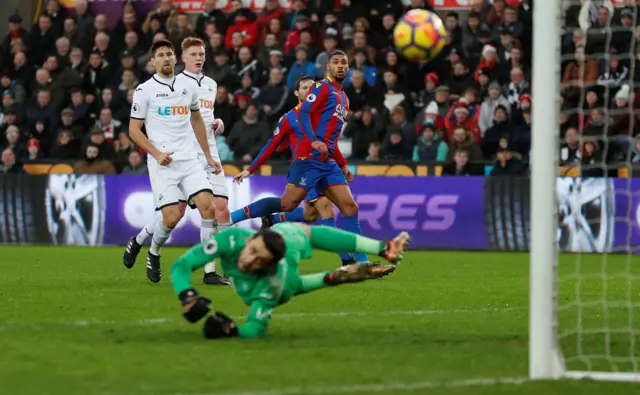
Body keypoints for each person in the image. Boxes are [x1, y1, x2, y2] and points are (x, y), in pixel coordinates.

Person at [228, 51, 368, 266]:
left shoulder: (338, 102)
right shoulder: (291, 117)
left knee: (328, 211)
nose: (310, 90)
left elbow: (331, 140)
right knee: (301, 206)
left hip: (327, 163)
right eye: (305, 88)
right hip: (306, 165)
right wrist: (251, 168)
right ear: (297, 93)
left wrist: (343, 163)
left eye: (311, 87)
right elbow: (272, 144)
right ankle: (234, 218)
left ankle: (358, 260)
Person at [170, 223, 411, 339]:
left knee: (290, 286)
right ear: (252, 237)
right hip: (282, 238)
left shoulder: (273, 281)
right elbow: (181, 265)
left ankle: (331, 277)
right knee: (304, 230)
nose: (248, 260)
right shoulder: (232, 238)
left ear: (269, 265)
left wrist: (230, 331)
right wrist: (187, 296)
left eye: (258, 260)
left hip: (285, 271)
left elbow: (255, 329)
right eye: (252, 250)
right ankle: (383, 248)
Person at [124, 37, 229, 286]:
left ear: (174, 58)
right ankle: (153, 250)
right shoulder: (144, 90)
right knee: (171, 218)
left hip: (190, 160)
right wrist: (156, 153)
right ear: (153, 61)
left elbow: (196, 121)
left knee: (210, 207)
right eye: (160, 55)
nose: (166, 58)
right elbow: (134, 130)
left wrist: (207, 155)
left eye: (168, 54)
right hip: (163, 163)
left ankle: (209, 271)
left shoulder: (189, 88)